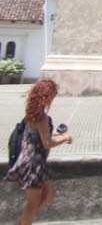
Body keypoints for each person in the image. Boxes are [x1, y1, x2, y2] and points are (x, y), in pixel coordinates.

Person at [4, 79, 73, 225]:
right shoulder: (42, 118)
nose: (53, 99)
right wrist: (65, 138)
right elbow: (47, 143)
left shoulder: (32, 114)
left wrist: (54, 132)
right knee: (32, 203)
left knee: (49, 194)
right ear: (47, 97)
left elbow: (37, 134)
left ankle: (20, 223)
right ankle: (23, 223)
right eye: (52, 95)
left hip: (33, 162)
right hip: (33, 165)